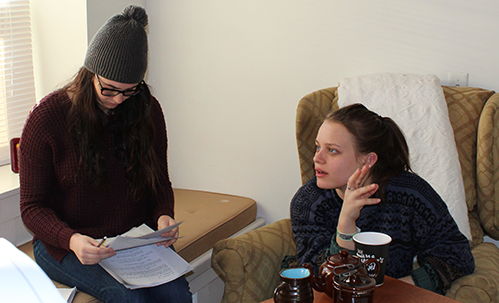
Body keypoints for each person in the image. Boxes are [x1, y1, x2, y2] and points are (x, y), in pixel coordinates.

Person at [19, 5, 191, 303]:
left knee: (177, 295)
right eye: (109, 89)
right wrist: (71, 239)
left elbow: (159, 182)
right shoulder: (47, 118)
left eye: (129, 91)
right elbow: (32, 207)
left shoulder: (148, 110)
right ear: (90, 74)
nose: (118, 100)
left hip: (131, 241)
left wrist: (164, 215)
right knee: (127, 299)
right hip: (65, 244)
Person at [282, 103, 475, 294]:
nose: (317, 158)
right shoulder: (308, 202)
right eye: (317, 147)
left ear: (368, 160)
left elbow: (457, 255)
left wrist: (396, 291)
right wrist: (346, 225)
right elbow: (321, 279)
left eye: (332, 150)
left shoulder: (410, 195)